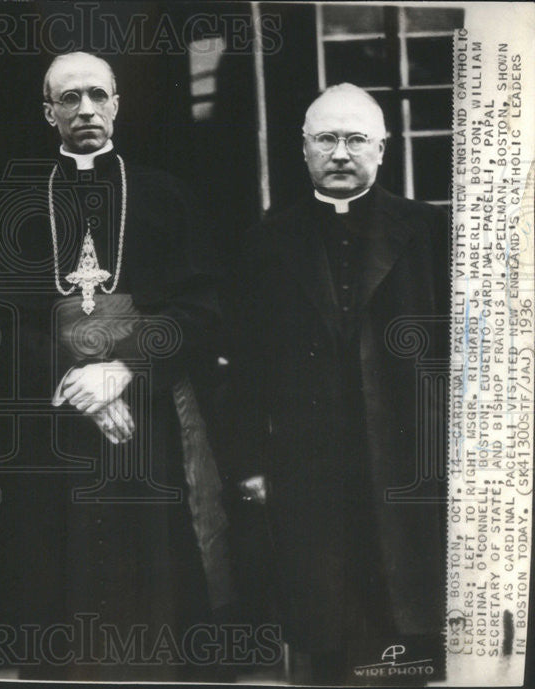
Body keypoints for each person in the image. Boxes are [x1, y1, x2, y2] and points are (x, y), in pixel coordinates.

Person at [0, 51, 233, 681]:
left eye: (98, 94)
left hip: (144, 415)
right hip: (54, 424)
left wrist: (122, 369)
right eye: (69, 98)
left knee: (152, 580)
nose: (85, 108)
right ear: (48, 111)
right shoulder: (13, 202)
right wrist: (73, 379)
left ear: (117, 104)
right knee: (58, 584)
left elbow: (202, 308)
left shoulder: (166, 195)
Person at [222, 83, 449, 683]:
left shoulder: (429, 232)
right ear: (303, 150)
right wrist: (250, 463)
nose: (341, 153)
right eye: (327, 139)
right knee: (325, 631)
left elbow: (465, 355)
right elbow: (244, 367)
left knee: (405, 631)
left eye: (355, 139)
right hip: (309, 468)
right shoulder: (267, 241)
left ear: (383, 148)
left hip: (408, 462)